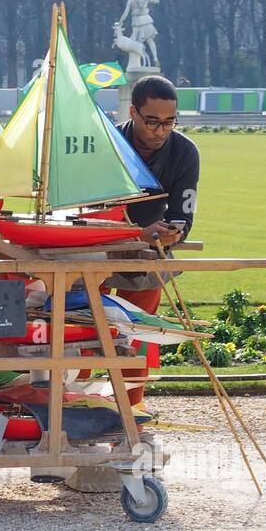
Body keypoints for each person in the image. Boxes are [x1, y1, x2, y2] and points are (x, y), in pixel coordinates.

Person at [112, 75, 200, 406]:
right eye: (151, 122)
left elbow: (184, 214)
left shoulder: (185, 152)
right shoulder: (108, 144)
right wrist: (135, 233)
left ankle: (131, 407)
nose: (160, 131)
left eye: (169, 122)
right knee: (87, 327)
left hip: (148, 254)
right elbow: (87, 217)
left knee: (136, 329)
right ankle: (80, 403)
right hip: (95, 251)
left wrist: (175, 233)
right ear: (133, 112)